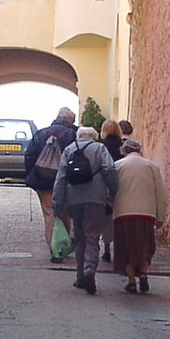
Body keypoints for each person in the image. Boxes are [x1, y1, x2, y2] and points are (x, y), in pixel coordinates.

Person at [52, 126, 118, 295]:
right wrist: (113, 189)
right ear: (94, 137)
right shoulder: (100, 148)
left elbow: (61, 177)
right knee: (92, 236)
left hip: (73, 199)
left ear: (78, 137)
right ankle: (90, 271)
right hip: (95, 199)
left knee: (79, 237)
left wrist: (57, 202)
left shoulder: (69, 150)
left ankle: (80, 276)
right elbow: (109, 169)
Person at [112, 138, 166, 293]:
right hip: (146, 213)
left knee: (126, 248)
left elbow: (112, 190)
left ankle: (131, 282)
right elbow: (160, 193)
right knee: (144, 246)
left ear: (124, 151)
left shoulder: (117, 166)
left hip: (123, 213)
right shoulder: (152, 167)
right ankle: (143, 272)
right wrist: (160, 215)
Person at [24, 107, 77, 261]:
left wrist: (32, 175)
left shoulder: (41, 134)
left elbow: (29, 156)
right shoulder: (72, 135)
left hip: (42, 181)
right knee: (65, 213)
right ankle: (63, 247)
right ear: (69, 120)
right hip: (65, 181)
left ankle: (54, 250)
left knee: (49, 214)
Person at [99, 119, 123, 262]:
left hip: (106, 185)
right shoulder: (123, 145)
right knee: (120, 217)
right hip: (122, 184)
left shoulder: (101, 146)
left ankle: (107, 250)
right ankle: (119, 249)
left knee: (107, 219)